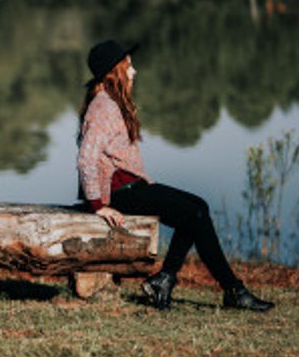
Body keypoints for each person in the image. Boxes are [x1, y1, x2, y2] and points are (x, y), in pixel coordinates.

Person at [77, 39, 274, 312]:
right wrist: (98, 206)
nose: (134, 72)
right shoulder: (104, 107)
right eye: (129, 67)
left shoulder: (111, 102)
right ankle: (232, 291)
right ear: (114, 72)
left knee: (196, 211)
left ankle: (169, 279)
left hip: (131, 188)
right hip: (121, 194)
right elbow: (86, 157)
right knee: (195, 212)